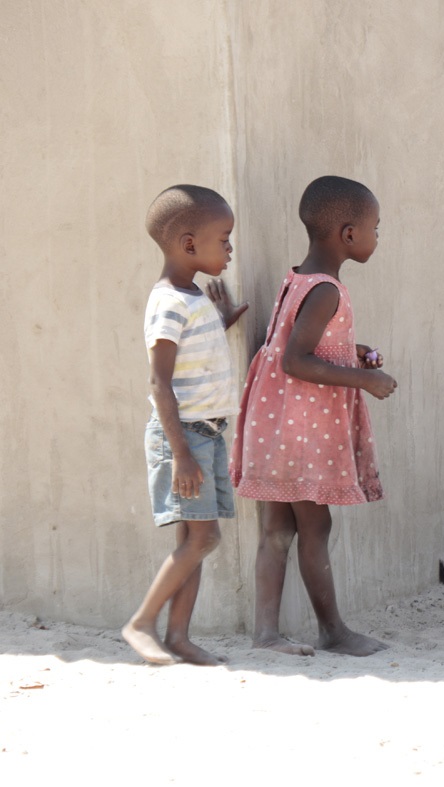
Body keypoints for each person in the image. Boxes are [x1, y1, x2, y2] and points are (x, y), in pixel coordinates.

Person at [230, 175, 397, 657]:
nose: (377, 236)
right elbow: (295, 360)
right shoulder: (327, 290)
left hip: (276, 423)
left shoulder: (299, 278)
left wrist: (351, 352)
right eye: (375, 228)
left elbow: (299, 342)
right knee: (316, 528)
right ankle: (333, 631)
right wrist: (363, 380)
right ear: (348, 234)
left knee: (277, 530)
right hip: (302, 430)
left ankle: (266, 634)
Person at [123, 185, 249, 666]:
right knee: (204, 538)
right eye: (225, 239)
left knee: (193, 542)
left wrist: (223, 321)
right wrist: (180, 453)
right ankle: (141, 623)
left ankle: (178, 636)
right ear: (189, 244)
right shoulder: (168, 302)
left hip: (207, 434)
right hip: (186, 438)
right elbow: (160, 383)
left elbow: (195, 354)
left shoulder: (192, 297)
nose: (230, 249)